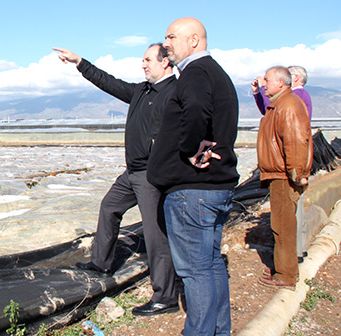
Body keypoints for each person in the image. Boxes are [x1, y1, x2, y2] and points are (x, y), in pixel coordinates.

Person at [53, 44, 179, 316]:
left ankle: (165, 298)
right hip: (132, 172)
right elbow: (107, 82)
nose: (143, 64)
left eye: (147, 60)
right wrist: (80, 62)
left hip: (152, 175)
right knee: (109, 207)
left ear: (165, 61)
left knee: (156, 235)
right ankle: (101, 263)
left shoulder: (176, 92)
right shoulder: (141, 91)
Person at [147, 18, 239, 336]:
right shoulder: (215, 73)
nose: (165, 43)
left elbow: (197, 107)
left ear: (195, 40)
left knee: (196, 272)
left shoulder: (196, 73)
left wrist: (187, 148)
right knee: (211, 265)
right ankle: (218, 330)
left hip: (193, 192)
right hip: (214, 188)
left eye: (172, 36)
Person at [256, 66, 313, 290]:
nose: (264, 84)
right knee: (281, 223)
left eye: (267, 80)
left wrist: (297, 174)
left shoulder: (288, 105)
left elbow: (296, 141)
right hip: (279, 173)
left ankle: (287, 275)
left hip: (284, 175)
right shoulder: (279, 104)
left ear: (281, 82)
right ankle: (282, 268)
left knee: (283, 226)